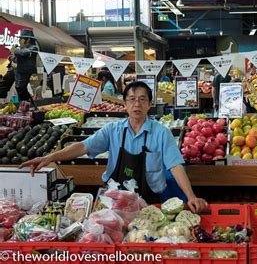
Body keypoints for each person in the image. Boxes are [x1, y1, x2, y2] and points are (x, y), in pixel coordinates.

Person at [20, 81, 208, 212]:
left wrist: (191, 196)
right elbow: (83, 146)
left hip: (150, 202)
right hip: (115, 201)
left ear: (150, 104)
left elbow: (175, 165)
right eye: (132, 99)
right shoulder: (113, 130)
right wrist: (49, 158)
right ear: (125, 104)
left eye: (142, 99)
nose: (137, 104)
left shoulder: (161, 133)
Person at [0, 30, 38, 102]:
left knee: (21, 89)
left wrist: (14, 50)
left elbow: (24, 53)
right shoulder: (20, 48)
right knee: (5, 84)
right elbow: (16, 58)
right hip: (16, 71)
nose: (19, 40)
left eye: (21, 39)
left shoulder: (33, 48)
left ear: (28, 40)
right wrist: (12, 57)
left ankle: (29, 105)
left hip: (24, 72)